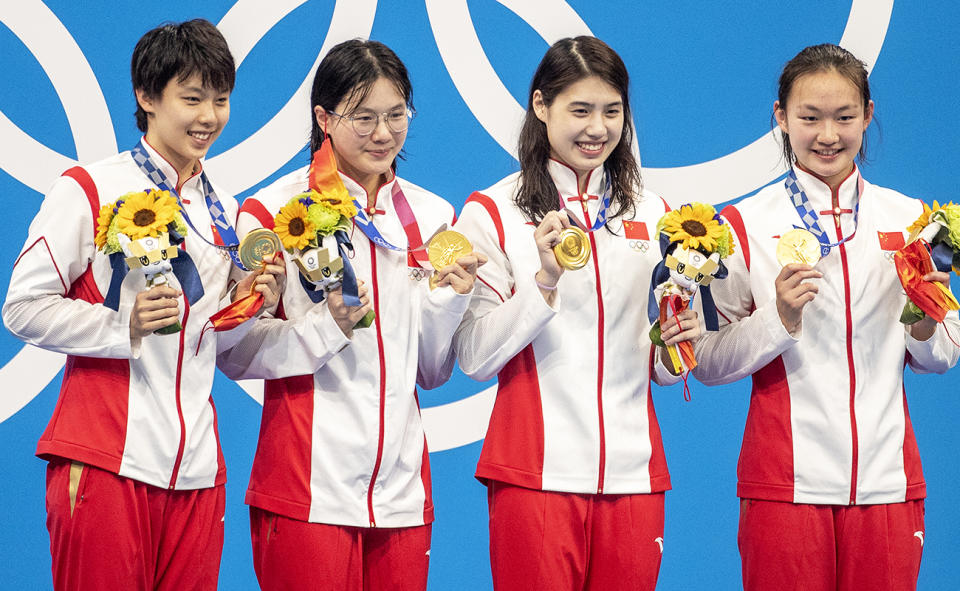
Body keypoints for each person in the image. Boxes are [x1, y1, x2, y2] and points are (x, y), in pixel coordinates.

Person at [2, 18, 284, 591]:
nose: (209, 117)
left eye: (221, 100)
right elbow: (22, 306)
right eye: (192, 98)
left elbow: (215, 340)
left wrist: (252, 302)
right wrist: (120, 326)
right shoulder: (89, 188)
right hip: (106, 457)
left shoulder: (224, 213)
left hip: (198, 472)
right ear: (147, 97)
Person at [217, 39, 485, 591]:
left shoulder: (434, 218)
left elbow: (431, 371)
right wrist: (325, 328)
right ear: (324, 117)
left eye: (396, 115)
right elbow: (236, 353)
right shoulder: (273, 214)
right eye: (364, 118)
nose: (383, 134)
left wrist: (450, 300)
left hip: (402, 492)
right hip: (305, 486)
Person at [691, 43, 960, 591]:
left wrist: (927, 317)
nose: (828, 135)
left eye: (844, 117)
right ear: (781, 117)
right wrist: (779, 318)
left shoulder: (913, 220)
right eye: (809, 118)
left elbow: (942, 357)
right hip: (784, 488)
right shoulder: (741, 225)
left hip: (887, 485)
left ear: (867, 114)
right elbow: (707, 363)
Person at [452, 36, 700, 591]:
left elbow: (664, 367)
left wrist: (675, 343)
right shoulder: (492, 210)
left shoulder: (656, 214)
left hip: (634, 474)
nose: (598, 129)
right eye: (580, 110)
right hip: (534, 474)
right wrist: (543, 282)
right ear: (541, 107)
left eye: (612, 111)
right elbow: (473, 355)